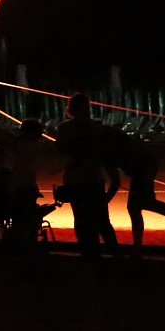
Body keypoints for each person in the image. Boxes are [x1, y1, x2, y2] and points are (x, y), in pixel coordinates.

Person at [107, 126, 165, 252]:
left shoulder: (103, 148)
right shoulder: (106, 136)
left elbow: (115, 183)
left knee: (138, 206)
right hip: (143, 164)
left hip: (142, 166)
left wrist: (104, 201)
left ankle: (138, 248)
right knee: (142, 204)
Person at [55, 93, 118, 258]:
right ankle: (110, 255)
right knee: (100, 221)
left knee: (86, 221)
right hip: (88, 179)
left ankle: (91, 255)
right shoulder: (92, 128)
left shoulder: (66, 128)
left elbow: (60, 149)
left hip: (79, 179)